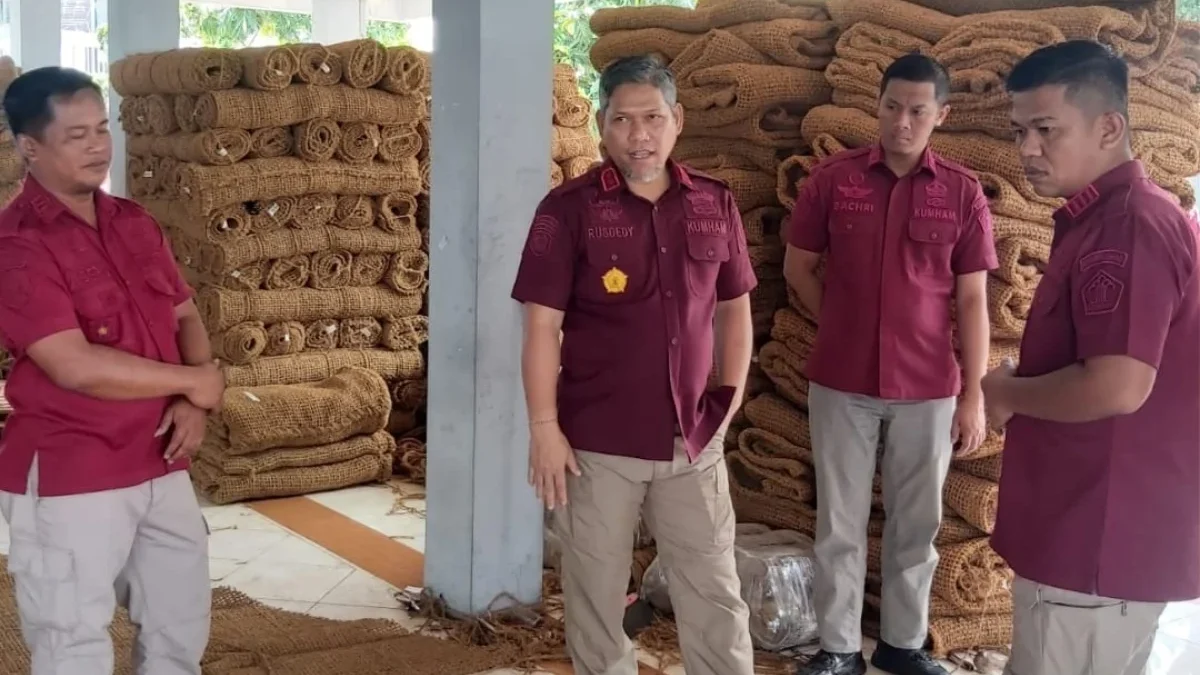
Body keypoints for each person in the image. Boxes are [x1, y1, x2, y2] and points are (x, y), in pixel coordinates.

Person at [511, 55, 757, 675]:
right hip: (596, 445)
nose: (638, 134)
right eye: (622, 119)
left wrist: (726, 405)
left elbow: (735, 312)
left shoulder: (714, 203)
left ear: (677, 120)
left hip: (691, 440)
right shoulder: (566, 210)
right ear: (601, 125)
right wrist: (544, 428)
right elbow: (541, 326)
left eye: (652, 118)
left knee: (714, 595)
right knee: (596, 601)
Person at [983, 40, 1200, 675]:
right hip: (1096, 530)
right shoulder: (1116, 219)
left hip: (1095, 541)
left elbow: (1117, 385)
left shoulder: (1126, 228)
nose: (1027, 149)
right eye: (1020, 130)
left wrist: (1006, 395)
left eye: (1047, 129)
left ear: (1110, 126)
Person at [0, 67, 223, 674]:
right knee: (72, 640)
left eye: (102, 128)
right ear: (30, 146)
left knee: (181, 629)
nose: (99, 145)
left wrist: (194, 399)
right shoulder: (17, 245)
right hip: (75, 468)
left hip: (160, 458)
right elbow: (72, 365)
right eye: (76, 135)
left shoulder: (132, 221)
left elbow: (184, 315)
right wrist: (191, 382)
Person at [783, 53, 997, 675]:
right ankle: (839, 650)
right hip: (842, 382)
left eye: (918, 111)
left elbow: (974, 298)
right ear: (876, 106)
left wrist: (974, 395)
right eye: (892, 107)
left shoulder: (961, 192)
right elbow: (799, 267)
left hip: (929, 386)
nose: (902, 122)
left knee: (916, 525)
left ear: (941, 115)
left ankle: (903, 647)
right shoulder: (832, 180)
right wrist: (842, 324)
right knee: (839, 523)